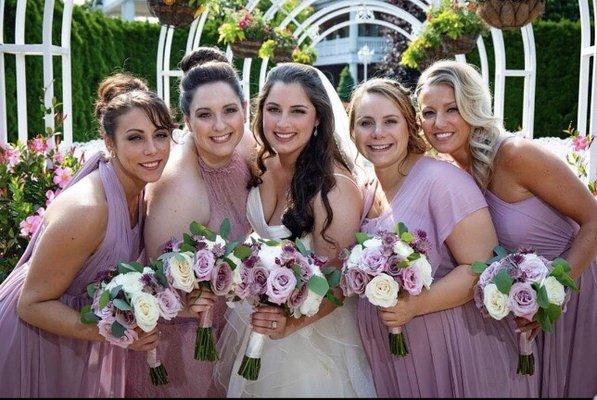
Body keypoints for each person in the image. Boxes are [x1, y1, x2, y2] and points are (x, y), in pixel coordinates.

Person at [415, 60, 597, 397]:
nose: (438, 123)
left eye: (451, 109)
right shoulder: (447, 174)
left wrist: (554, 295)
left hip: (579, 289)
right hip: (529, 309)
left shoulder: (515, 155)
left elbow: (594, 219)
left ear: (472, 107)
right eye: (428, 113)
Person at [349, 77, 539, 397]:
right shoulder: (366, 190)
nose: (377, 133)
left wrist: (416, 305)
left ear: (410, 127)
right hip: (395, 359)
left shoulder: (442, 180)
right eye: (366, 122)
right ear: (352, 130)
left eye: (390, 121)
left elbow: (482, 266)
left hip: (452, 353)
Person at [0, 73, 175, 397]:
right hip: (32, 339)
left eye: (160, 135)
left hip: (76, 338)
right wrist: (118, 331)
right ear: (110, 143)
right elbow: (31, 304)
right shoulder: (89, 209)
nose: (152, 149)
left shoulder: (140, 189)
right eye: (135, 138)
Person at [216, 63, 376, 397]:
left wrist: (290, 324)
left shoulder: (335, 187)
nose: (283, 123)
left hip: (313, 339)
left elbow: (338, 281)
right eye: (273, 110)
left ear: (318, 118)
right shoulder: (260, 162)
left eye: (297, 111)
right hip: (256, 322)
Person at [125, 59, 253, 397]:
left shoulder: (245, 148)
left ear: (245, 110)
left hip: (240, 328)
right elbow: (158, 286)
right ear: (187, 121)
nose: (220, 125)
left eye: (229, 110)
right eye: (205, 115)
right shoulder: (180, 189)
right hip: (191, 344)